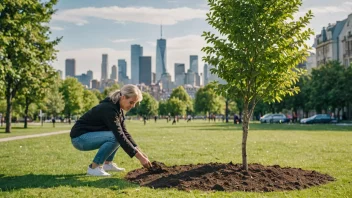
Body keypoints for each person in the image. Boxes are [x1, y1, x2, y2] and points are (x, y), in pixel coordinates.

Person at [70, 84, 152, 176]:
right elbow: (120, 135)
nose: (133, 106)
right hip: (80, 139)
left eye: (135, 103)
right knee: (115, 137)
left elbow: (125, 133)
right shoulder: (109, 109)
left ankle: (107, 164)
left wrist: (140, 152)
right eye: (131, 102)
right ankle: (93, 168)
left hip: (86, 137)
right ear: (123, 97)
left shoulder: (118, 109)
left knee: (117, 136)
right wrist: (140, 158)